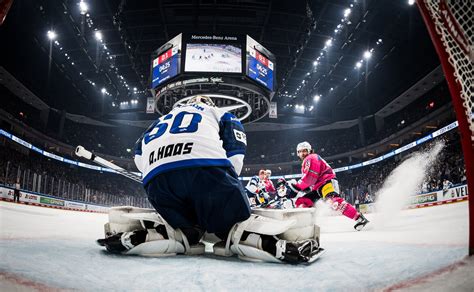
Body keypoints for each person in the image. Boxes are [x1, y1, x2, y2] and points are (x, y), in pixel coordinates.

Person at [97, 96, 321, 264]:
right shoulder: (218, 112)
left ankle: (169, 234)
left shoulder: (159, 121)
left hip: (157, 182)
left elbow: (138, 158)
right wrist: (225, 189)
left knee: (187, 232)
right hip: (205, 170)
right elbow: (235, 155)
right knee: (234, 227)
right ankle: (270, 244)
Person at [282, 141, 369, 231]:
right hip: (318, 187)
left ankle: (360, 218)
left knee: (334, 202)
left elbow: (310, 178)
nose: (302, 153)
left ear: (309, 150)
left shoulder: (311, 157)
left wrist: (295, 188)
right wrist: (298, 188)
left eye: (304, 151)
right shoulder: (307, 161)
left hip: (327, 182)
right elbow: (310, 181)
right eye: (300, 151)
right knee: (303, 202)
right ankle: (306, 225)